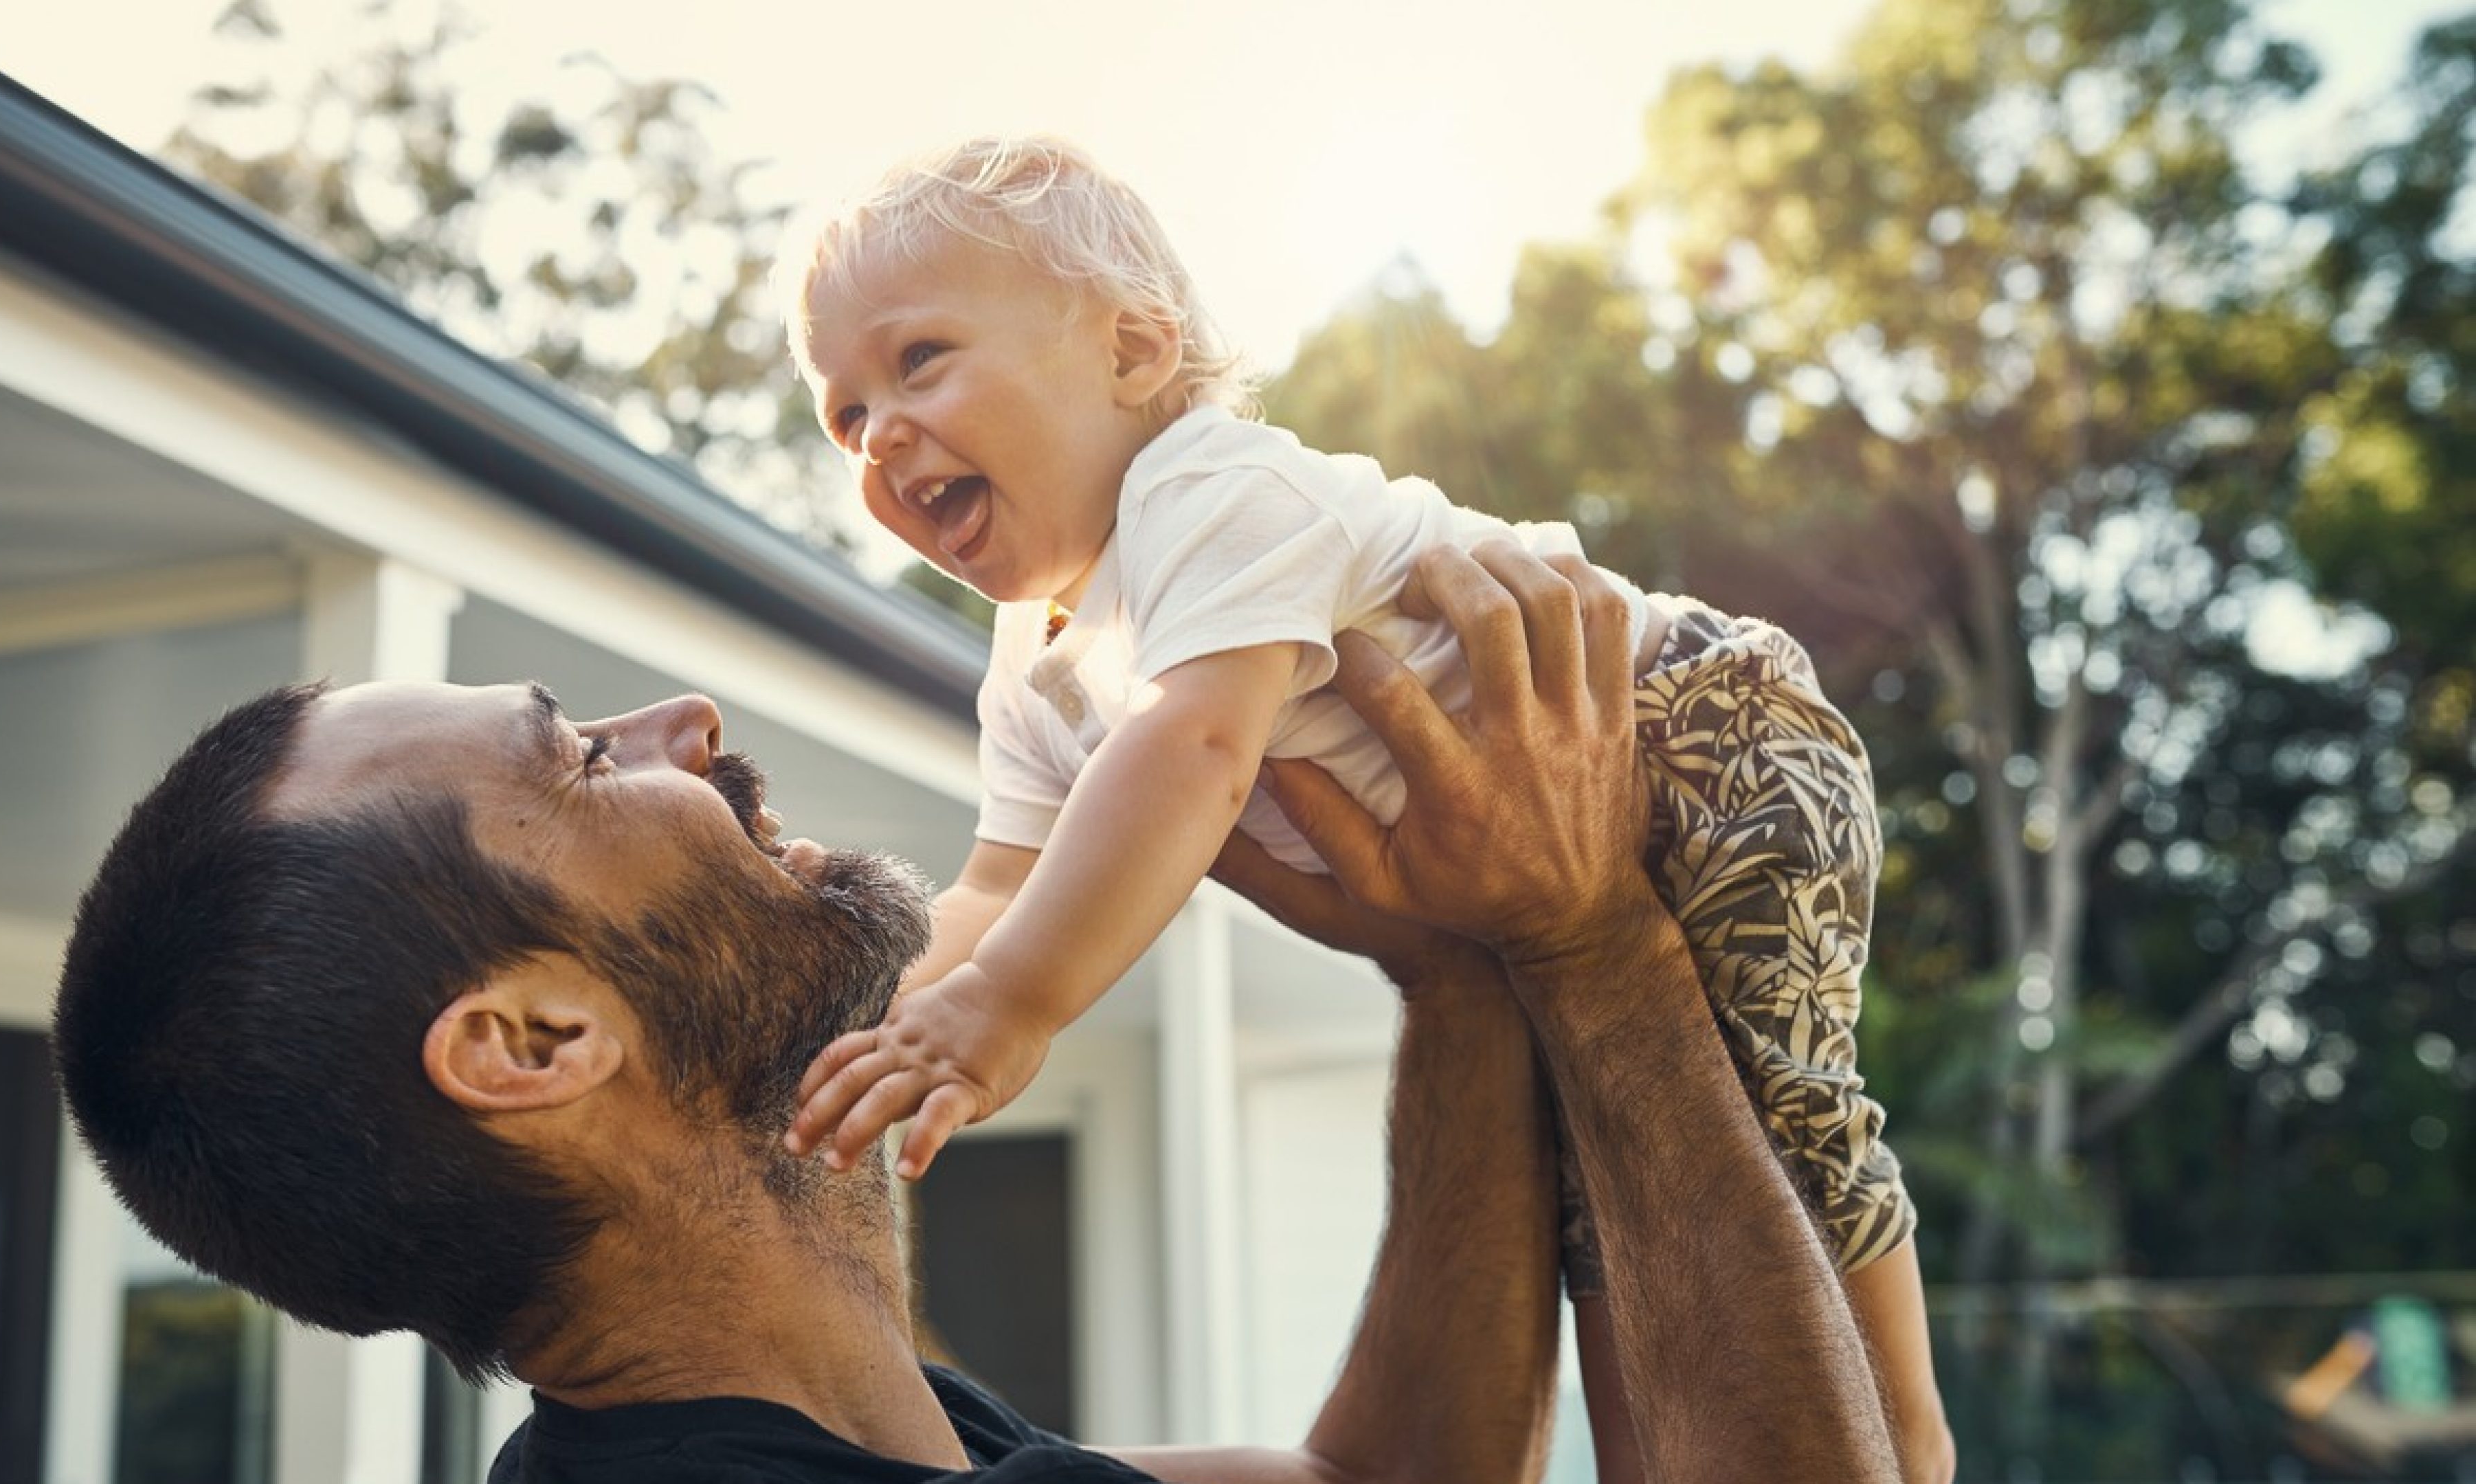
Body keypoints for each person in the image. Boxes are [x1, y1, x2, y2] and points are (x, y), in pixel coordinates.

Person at [54, 544, 1899, 1482]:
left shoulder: (855, 1430)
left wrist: (1462, 963)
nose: (681, 723)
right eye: (574, 756)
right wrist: (1593, 952)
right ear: (535, 1044)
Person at [783, 137, 1951, 1479]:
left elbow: (1200, 748)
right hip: (1548, 847)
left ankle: (1909, 1441)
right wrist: (872, 1026)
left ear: (1134, 352)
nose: (881, 434)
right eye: (846, 414)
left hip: (1697, 730)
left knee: (1772, 1122)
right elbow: (994, 888)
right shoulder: (1036, 660)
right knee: (1609, 1199)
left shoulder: (1208, 495)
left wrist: (1011, 1010)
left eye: (919, 360)